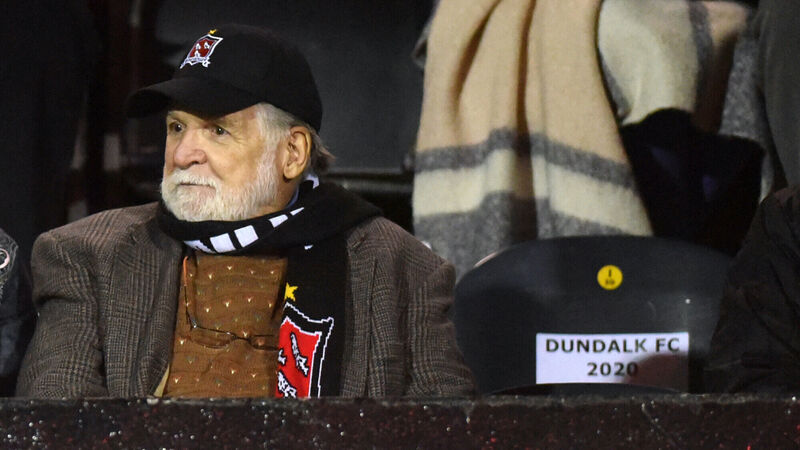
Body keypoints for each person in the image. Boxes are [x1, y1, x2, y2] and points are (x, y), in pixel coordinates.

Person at [16, 24, 474, 398]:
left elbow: (448, 433)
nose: (183, 154)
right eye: (177, 128)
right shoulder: (87, 257)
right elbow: (59, 428)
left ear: (292, 153)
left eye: (217, 130)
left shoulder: (402, 271)